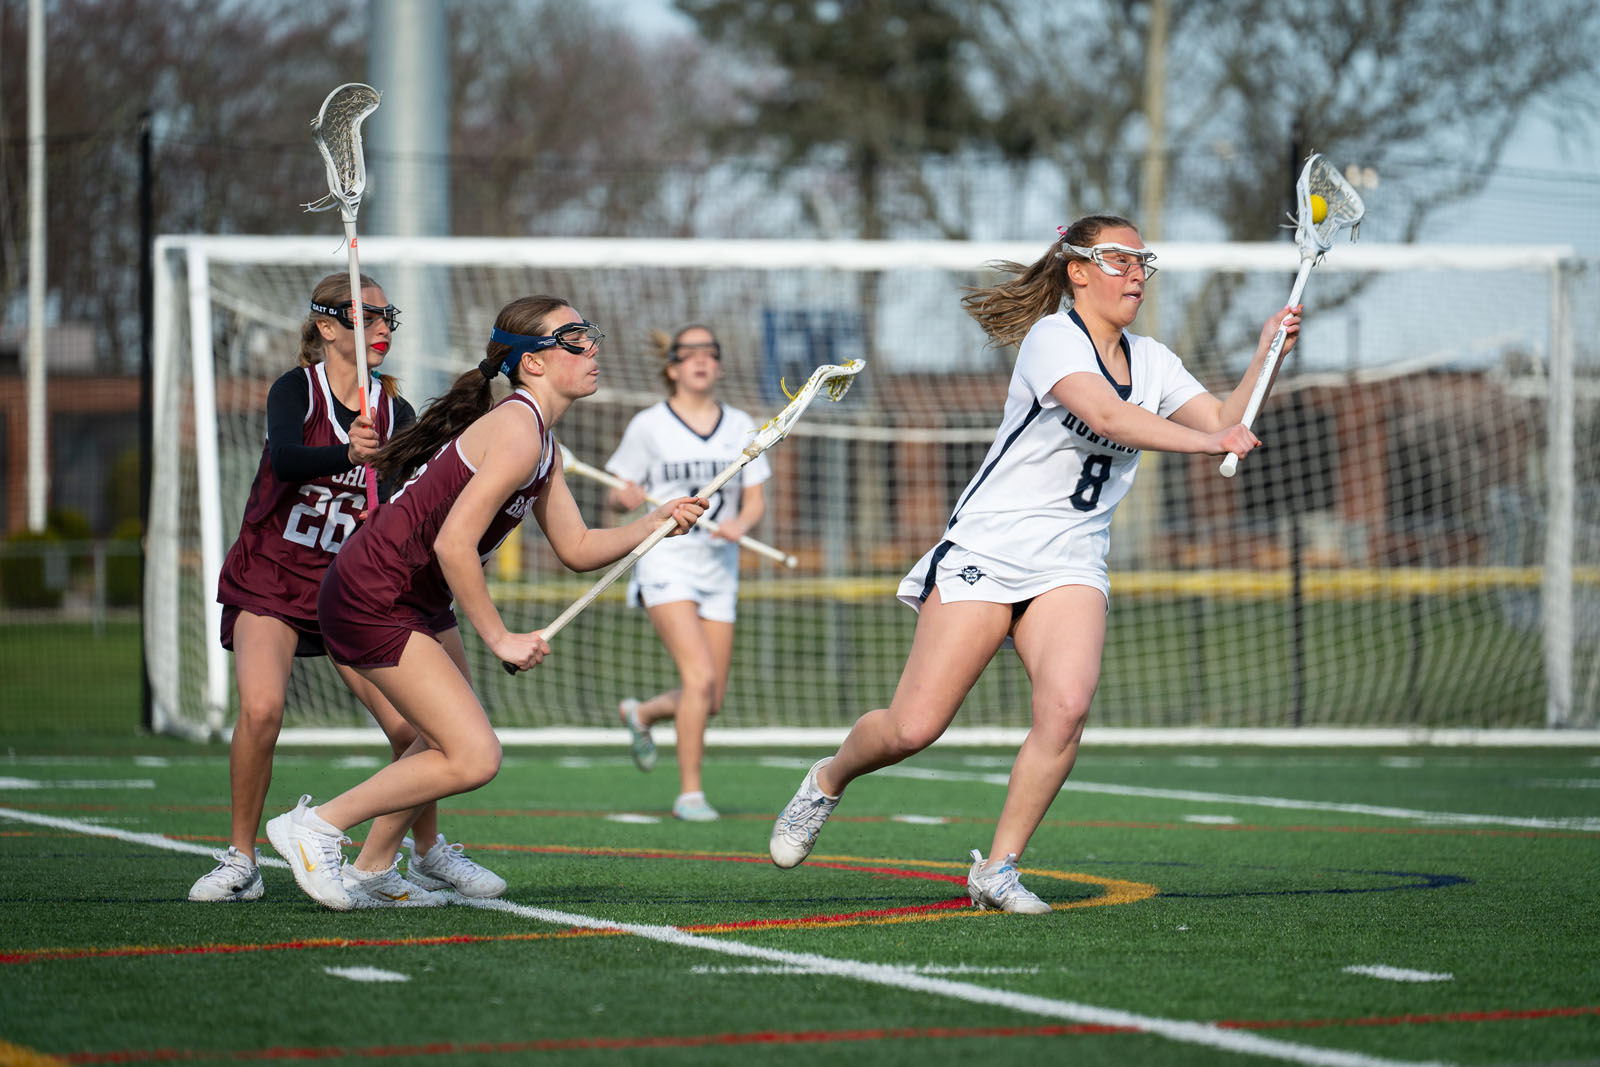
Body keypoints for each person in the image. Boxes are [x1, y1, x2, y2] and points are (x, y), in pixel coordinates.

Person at [768, 215, 1302, 913]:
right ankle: (828, 779)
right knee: (912, 728)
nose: (1135, 273)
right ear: (1077, 270)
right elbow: (1108, 417)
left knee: (1067, 707)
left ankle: (997, 869)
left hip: (1072, 560)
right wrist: (1207, 445)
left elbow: (1226, 418)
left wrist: (1267, 353)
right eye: (1118, 259)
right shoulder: (1053, 339)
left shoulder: (1156, 361)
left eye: (1142, 260)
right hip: (990, 551)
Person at [264, 296, 706, 910]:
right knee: (473, 756)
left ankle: (373, 868)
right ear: (533, 362)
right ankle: (314, 827)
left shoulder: (541, 441)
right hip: (375, 592)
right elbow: (453, 544)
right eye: (573, 338)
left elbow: (577, 547)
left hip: (413, 597)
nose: (592, 347)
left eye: (589, 335)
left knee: (437, 739)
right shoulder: (518, 430)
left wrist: (653, 524)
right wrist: (500, 638)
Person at [189, 272, 504, 905]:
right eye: (368, 317)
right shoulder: (295, 389)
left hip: (349, 591)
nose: (384, 328)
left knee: (416, 728)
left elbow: (412, 495)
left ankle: (423, 854)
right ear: (327, 327)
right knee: (262, 710)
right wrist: (349, 455)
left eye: (389, 318)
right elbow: (284, 457)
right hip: (274, 578)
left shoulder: (393, 410)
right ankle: (242, 858)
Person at [604, 325, 771, 822]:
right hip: (667, 561)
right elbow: (617, 493)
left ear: (718, 364)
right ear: (673, 367)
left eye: (709, 353)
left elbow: (754, 499)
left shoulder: (741, 424)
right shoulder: (649, 425)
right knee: (697, 677)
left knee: (710, 697)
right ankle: (691, 794)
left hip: (719, 567)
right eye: (690, 353)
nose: (701, 361)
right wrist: (624, 498)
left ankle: (643, 712)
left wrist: (740, 524)